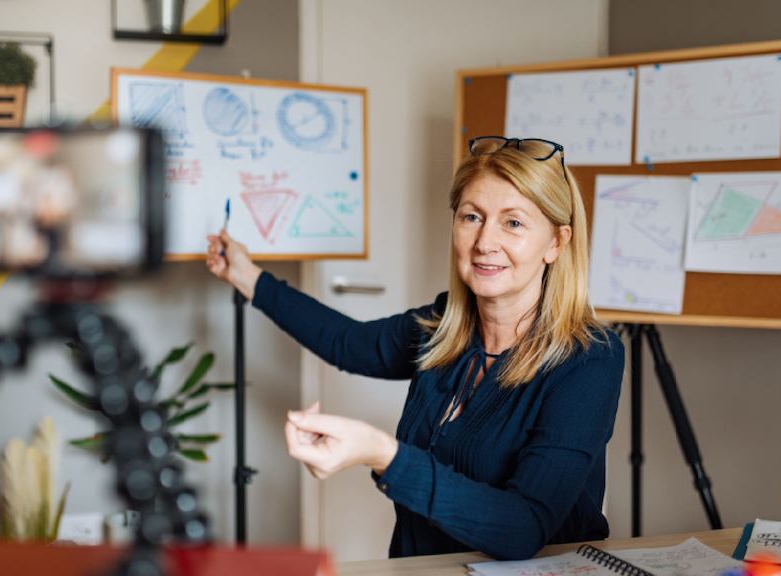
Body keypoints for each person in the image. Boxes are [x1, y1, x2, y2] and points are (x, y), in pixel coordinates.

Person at [204, 137, 624, 560]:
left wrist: (382, 453)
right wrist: (247, 277)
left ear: (556, 242)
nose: (484, 241)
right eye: (472, 216)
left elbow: (522, 528)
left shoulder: (590, 358)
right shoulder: (442, 327)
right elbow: (347, 344)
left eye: (513, 223)